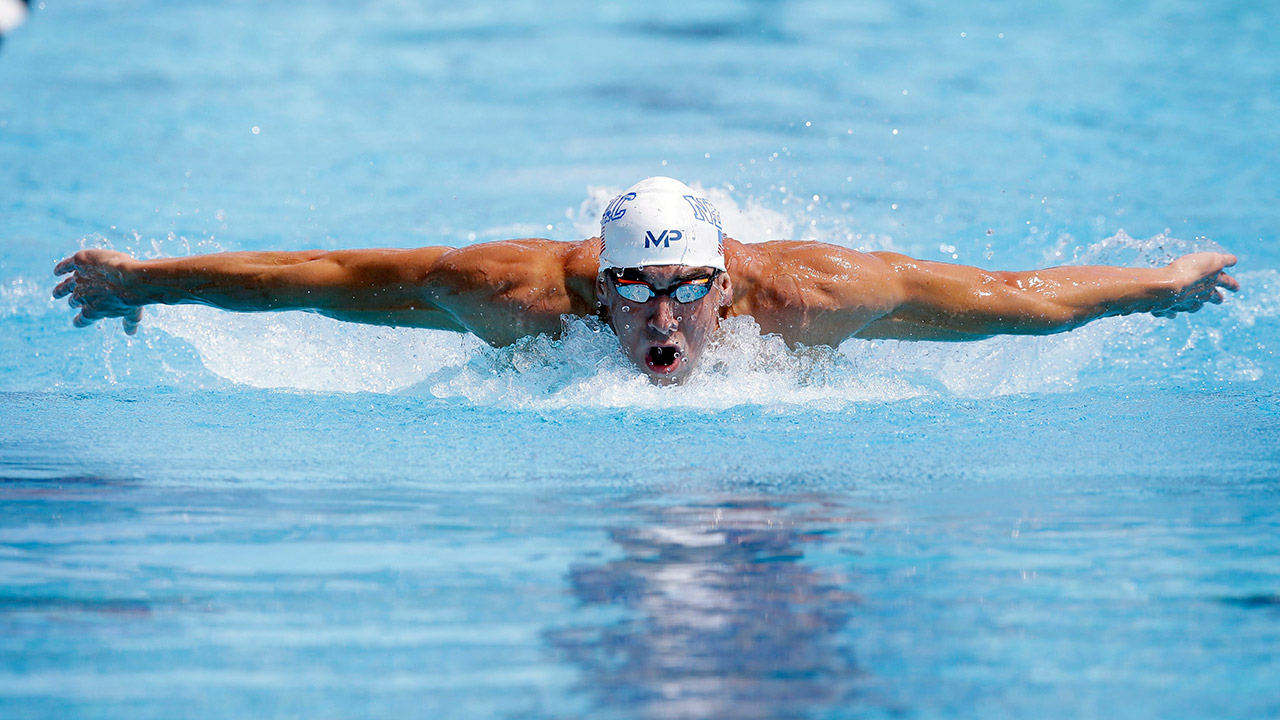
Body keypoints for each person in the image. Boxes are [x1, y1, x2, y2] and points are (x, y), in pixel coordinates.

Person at [53, 177, 1239, 384]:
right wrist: (145, 282)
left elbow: (1011, 298)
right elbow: (316, 277)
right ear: (595, 289)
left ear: (725, 284)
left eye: (684, 293)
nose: (661, 325)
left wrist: (1161, 284)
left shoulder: (811, 298)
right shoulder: (511, 291)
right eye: (635, 296)